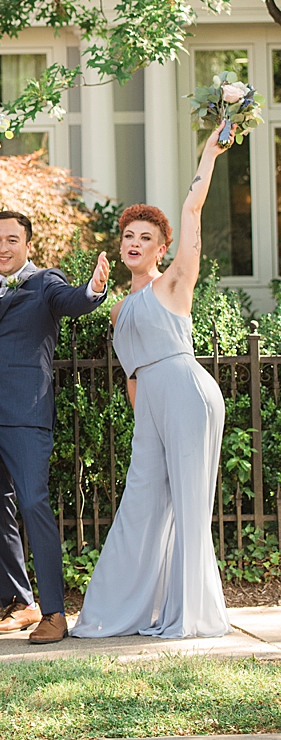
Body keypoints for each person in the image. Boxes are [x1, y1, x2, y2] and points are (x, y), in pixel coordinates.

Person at [73, 129, 232, 640]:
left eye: (146, 238)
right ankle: (121, 610)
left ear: (161, 248)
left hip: (188, 392)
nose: (135, 244)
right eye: (128, 237)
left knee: (188, 503)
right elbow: (132, 378)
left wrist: (208, 153)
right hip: (151, 406)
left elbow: (192, 216)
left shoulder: (174, 282)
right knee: (141, 499)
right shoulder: (117, 307)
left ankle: (193, 614)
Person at [0, 212, 109, 644]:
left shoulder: (45, 283)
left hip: (25, 414)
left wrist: (94, 289)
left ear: (28, 243)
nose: (2, 247)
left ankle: (55, 612)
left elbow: (74, 300)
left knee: (33, 504)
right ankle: (18, 604)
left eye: (11, 239)